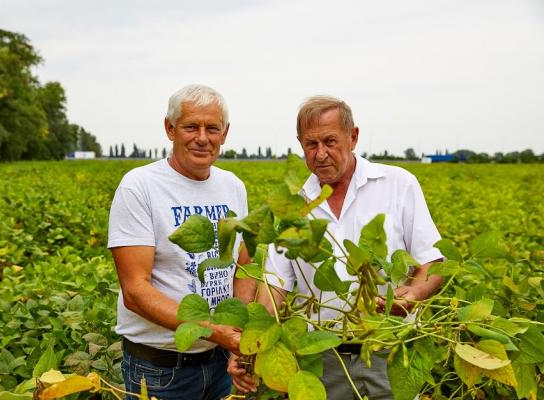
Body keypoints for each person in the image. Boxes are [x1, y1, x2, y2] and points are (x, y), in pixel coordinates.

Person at [229, 96, 444, 400]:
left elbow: (433, 262)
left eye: (330, 141)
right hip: (320, 359)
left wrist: (413, 294)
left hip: (389, 349)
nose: (320, 154)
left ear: (353, 136)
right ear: (300, 144)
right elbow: (273, 290)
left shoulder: (398, 184)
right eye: (310, 144)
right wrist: (249, 347)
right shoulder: (293, 205)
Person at [108, 84, 251, 400]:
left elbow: (243, 266)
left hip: (220, 361)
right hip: (161, 368)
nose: (202, 137)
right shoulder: (140, 187)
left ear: (224, 133)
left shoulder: (233, 187)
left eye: (212, 128)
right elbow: (135, 290)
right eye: (191, 126)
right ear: (170, 129)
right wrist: (216, 332)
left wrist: (236, 337)